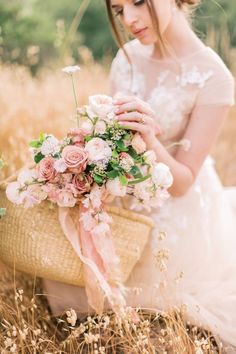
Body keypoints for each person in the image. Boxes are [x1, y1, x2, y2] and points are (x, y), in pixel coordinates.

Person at [43, 0, 236, 347]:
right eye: (118, 10)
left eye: (138, 2)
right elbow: (112, 139)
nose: (129, 19)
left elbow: (183, 182)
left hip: (176, 209)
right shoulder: (127, 57)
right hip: (125, 199)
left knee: (160, 313)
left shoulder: (215, 77)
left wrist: (150, 141)